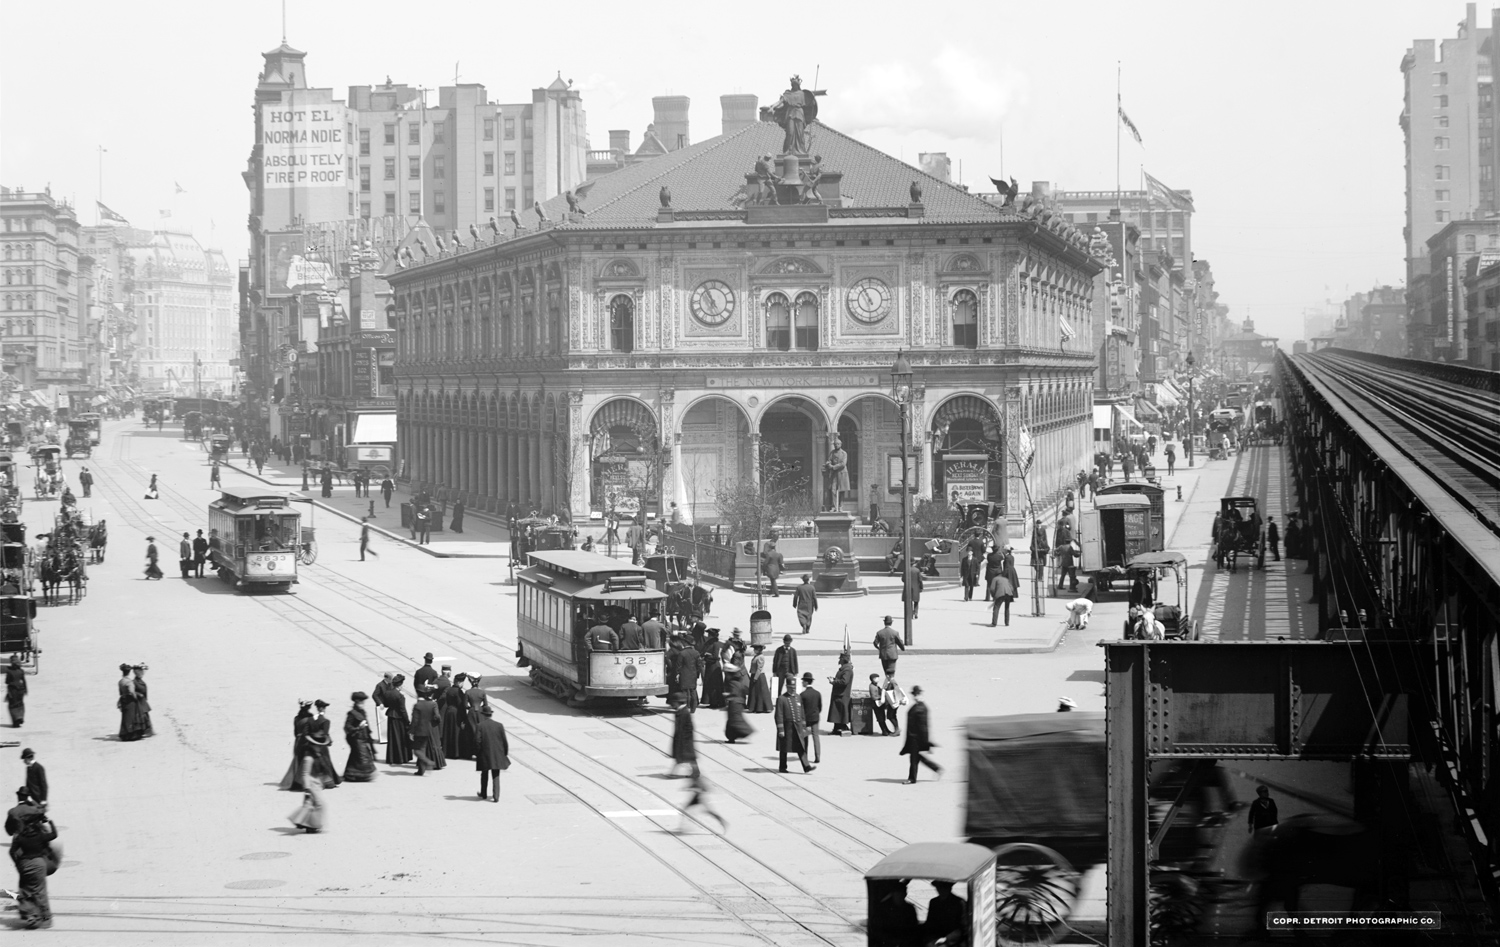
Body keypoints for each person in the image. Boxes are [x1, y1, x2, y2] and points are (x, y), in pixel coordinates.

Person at [9, 803, 56, 928]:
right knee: (40, 891)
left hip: (24, 863)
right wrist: (50, 822)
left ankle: (29, 914)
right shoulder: (35, 813)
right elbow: (52, 835)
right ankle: (45, 918)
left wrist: (17, 863)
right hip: (38, 862)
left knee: (24, 889)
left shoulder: (14, 814)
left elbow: (11, 848)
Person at [901, 685, 941, 784]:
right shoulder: (918, 706)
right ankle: (936, 768)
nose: (914, 696)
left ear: (920, 695)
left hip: (916, 738)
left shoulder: (921, 708)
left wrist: (925, 742)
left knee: (914, 759)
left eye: (916, 694)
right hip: (913, 737)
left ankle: (912, 778)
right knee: (916, 757)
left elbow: (924, 727)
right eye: (914, 694)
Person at [774, 677, 815, 774]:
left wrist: (804, 726)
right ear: (787, 687)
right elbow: (778, 715)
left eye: (794, 687)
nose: (793, 689)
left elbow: (802, 712)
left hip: (798, 727)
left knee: (801, 747)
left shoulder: (798, 697)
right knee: (784, 748)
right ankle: (782, 767)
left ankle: (806, 766)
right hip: (787, 728)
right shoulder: (781, 699)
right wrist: (781, 729)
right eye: (791, 687)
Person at [473, 704, 510, 802]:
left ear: (483, 715)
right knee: (496, 774)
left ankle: (483, 793)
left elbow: (477, 741)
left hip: (484, 753)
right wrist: (505, 753)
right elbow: (504, 741)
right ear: (491, 715)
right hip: (497, 753)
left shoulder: (480, 726)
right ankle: (496, 796)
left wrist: (477, 753)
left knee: (484, 773)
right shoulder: (499, 725)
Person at [678, 767, 727, 833]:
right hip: (697, 796)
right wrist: (687, 788)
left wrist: (692, 789)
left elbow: (705, 788)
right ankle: (682, 827)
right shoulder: (695, 778)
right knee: (705, 811)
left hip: (699, 797)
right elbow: (693, 785)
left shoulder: (699, 779)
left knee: (706, 812)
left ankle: (722, 821)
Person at [409, 685, 444, 775]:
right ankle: (421, 770)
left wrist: (411, 732)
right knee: (422, 749)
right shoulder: (431, 704)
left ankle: (428, 762)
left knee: (417, 751)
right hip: (428, 731)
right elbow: (437, 716)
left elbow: (415, 721)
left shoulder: (417, 705)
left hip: (419, 731)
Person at [722, 659, 754, 744]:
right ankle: (731, 738)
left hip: (734, 703)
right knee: (733, 721)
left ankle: (741, 734)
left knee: (734, 721)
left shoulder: (732, 682)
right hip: (738, 703)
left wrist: (726, 695)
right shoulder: (738, 681)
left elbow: (734, 692)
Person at [384, 675, 412, 765]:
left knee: (392, 738)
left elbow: (385, 704)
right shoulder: (400, 696)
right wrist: (407, 721)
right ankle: (401, 757)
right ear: (400, 685)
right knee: (401, 738)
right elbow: (403, 710)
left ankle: (392, 757)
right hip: (399, 718)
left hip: (391, 716)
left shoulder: (388, 693)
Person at [668, 691, 697, 778]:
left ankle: (674, 773)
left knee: (684, 757)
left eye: (674, 703)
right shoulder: (681, 711)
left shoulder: (683, 712)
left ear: (677, 702)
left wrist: (681, 738)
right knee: (687, 757)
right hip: (683, 738)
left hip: (684, 739)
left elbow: (686, 727)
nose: (673, 705)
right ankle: (695, 772)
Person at [798, 672, 823, 765]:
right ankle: (817, 756)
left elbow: (801, 708)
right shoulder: (817, 693)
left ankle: (805, 755)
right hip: (815, 717)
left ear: (805, 682)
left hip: (806, 719)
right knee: (816, 737)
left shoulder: (802, 695)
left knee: (805, 737)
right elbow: (820, 707)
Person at [827, 653, 854, 737]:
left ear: (843, 660)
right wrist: (834, 679)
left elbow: (844, 682)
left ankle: (843, 727)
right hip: (839, 693)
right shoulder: (844, 669)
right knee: (837, 712)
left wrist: (833, 681)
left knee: (841, 712)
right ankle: (836, 728)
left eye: (840, 659)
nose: (839, 660)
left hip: (842, 694)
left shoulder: (847, 670)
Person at [699, 632, 725, 710]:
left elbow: (715, 656)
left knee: (714, 685)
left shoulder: (716, 644)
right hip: (709, 666)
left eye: (710, 635)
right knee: (709, 684)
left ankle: (716, 702)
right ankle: (711, 701)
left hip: (714, 666)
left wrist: (707, 656)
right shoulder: (710, 643)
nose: (708, 636)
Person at [676, 635, 701, 713]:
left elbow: (678, 666)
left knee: (685, 692)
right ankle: (693, 709)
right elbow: (699, 665)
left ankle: (686, 707)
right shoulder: (696, 653)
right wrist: (697, 674)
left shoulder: (682, 653)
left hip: (684, 675)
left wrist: (677, 674)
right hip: (693, 674)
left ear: (685, 642)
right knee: (693, 691)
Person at [746, 644, 772, 714]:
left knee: (761, 692)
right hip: (755, 675)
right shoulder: (756, 656)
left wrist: (755, 677)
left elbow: (759, 668)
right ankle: (754, 707)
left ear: (758, 650)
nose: (754, 650)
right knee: (754, 692)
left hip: (759, 676)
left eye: (755, 649)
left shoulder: (760, 657)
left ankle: (763, 707)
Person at [772, 634, 799, 699]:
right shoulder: (779, 650)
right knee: (779, 686)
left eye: (789, 643)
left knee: (791, 685)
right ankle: (779, 699)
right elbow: (775, 661)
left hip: (790, 671)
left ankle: (791, 699)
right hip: (780, 671)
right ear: (784, 642)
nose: (787, 644)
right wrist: (774, 671)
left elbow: (795, 661)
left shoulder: (793, 651)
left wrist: (796, 671)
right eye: (786, 643)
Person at [5, 654, 25, 728]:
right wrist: (25, 689)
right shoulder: (21, 671)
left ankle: (15, 720)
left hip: (12, 690)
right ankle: (20, 717)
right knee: (20, 704)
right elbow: (23, 681)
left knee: (12, 705)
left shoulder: (9, 671)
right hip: (21, 690)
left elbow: (7, 682)